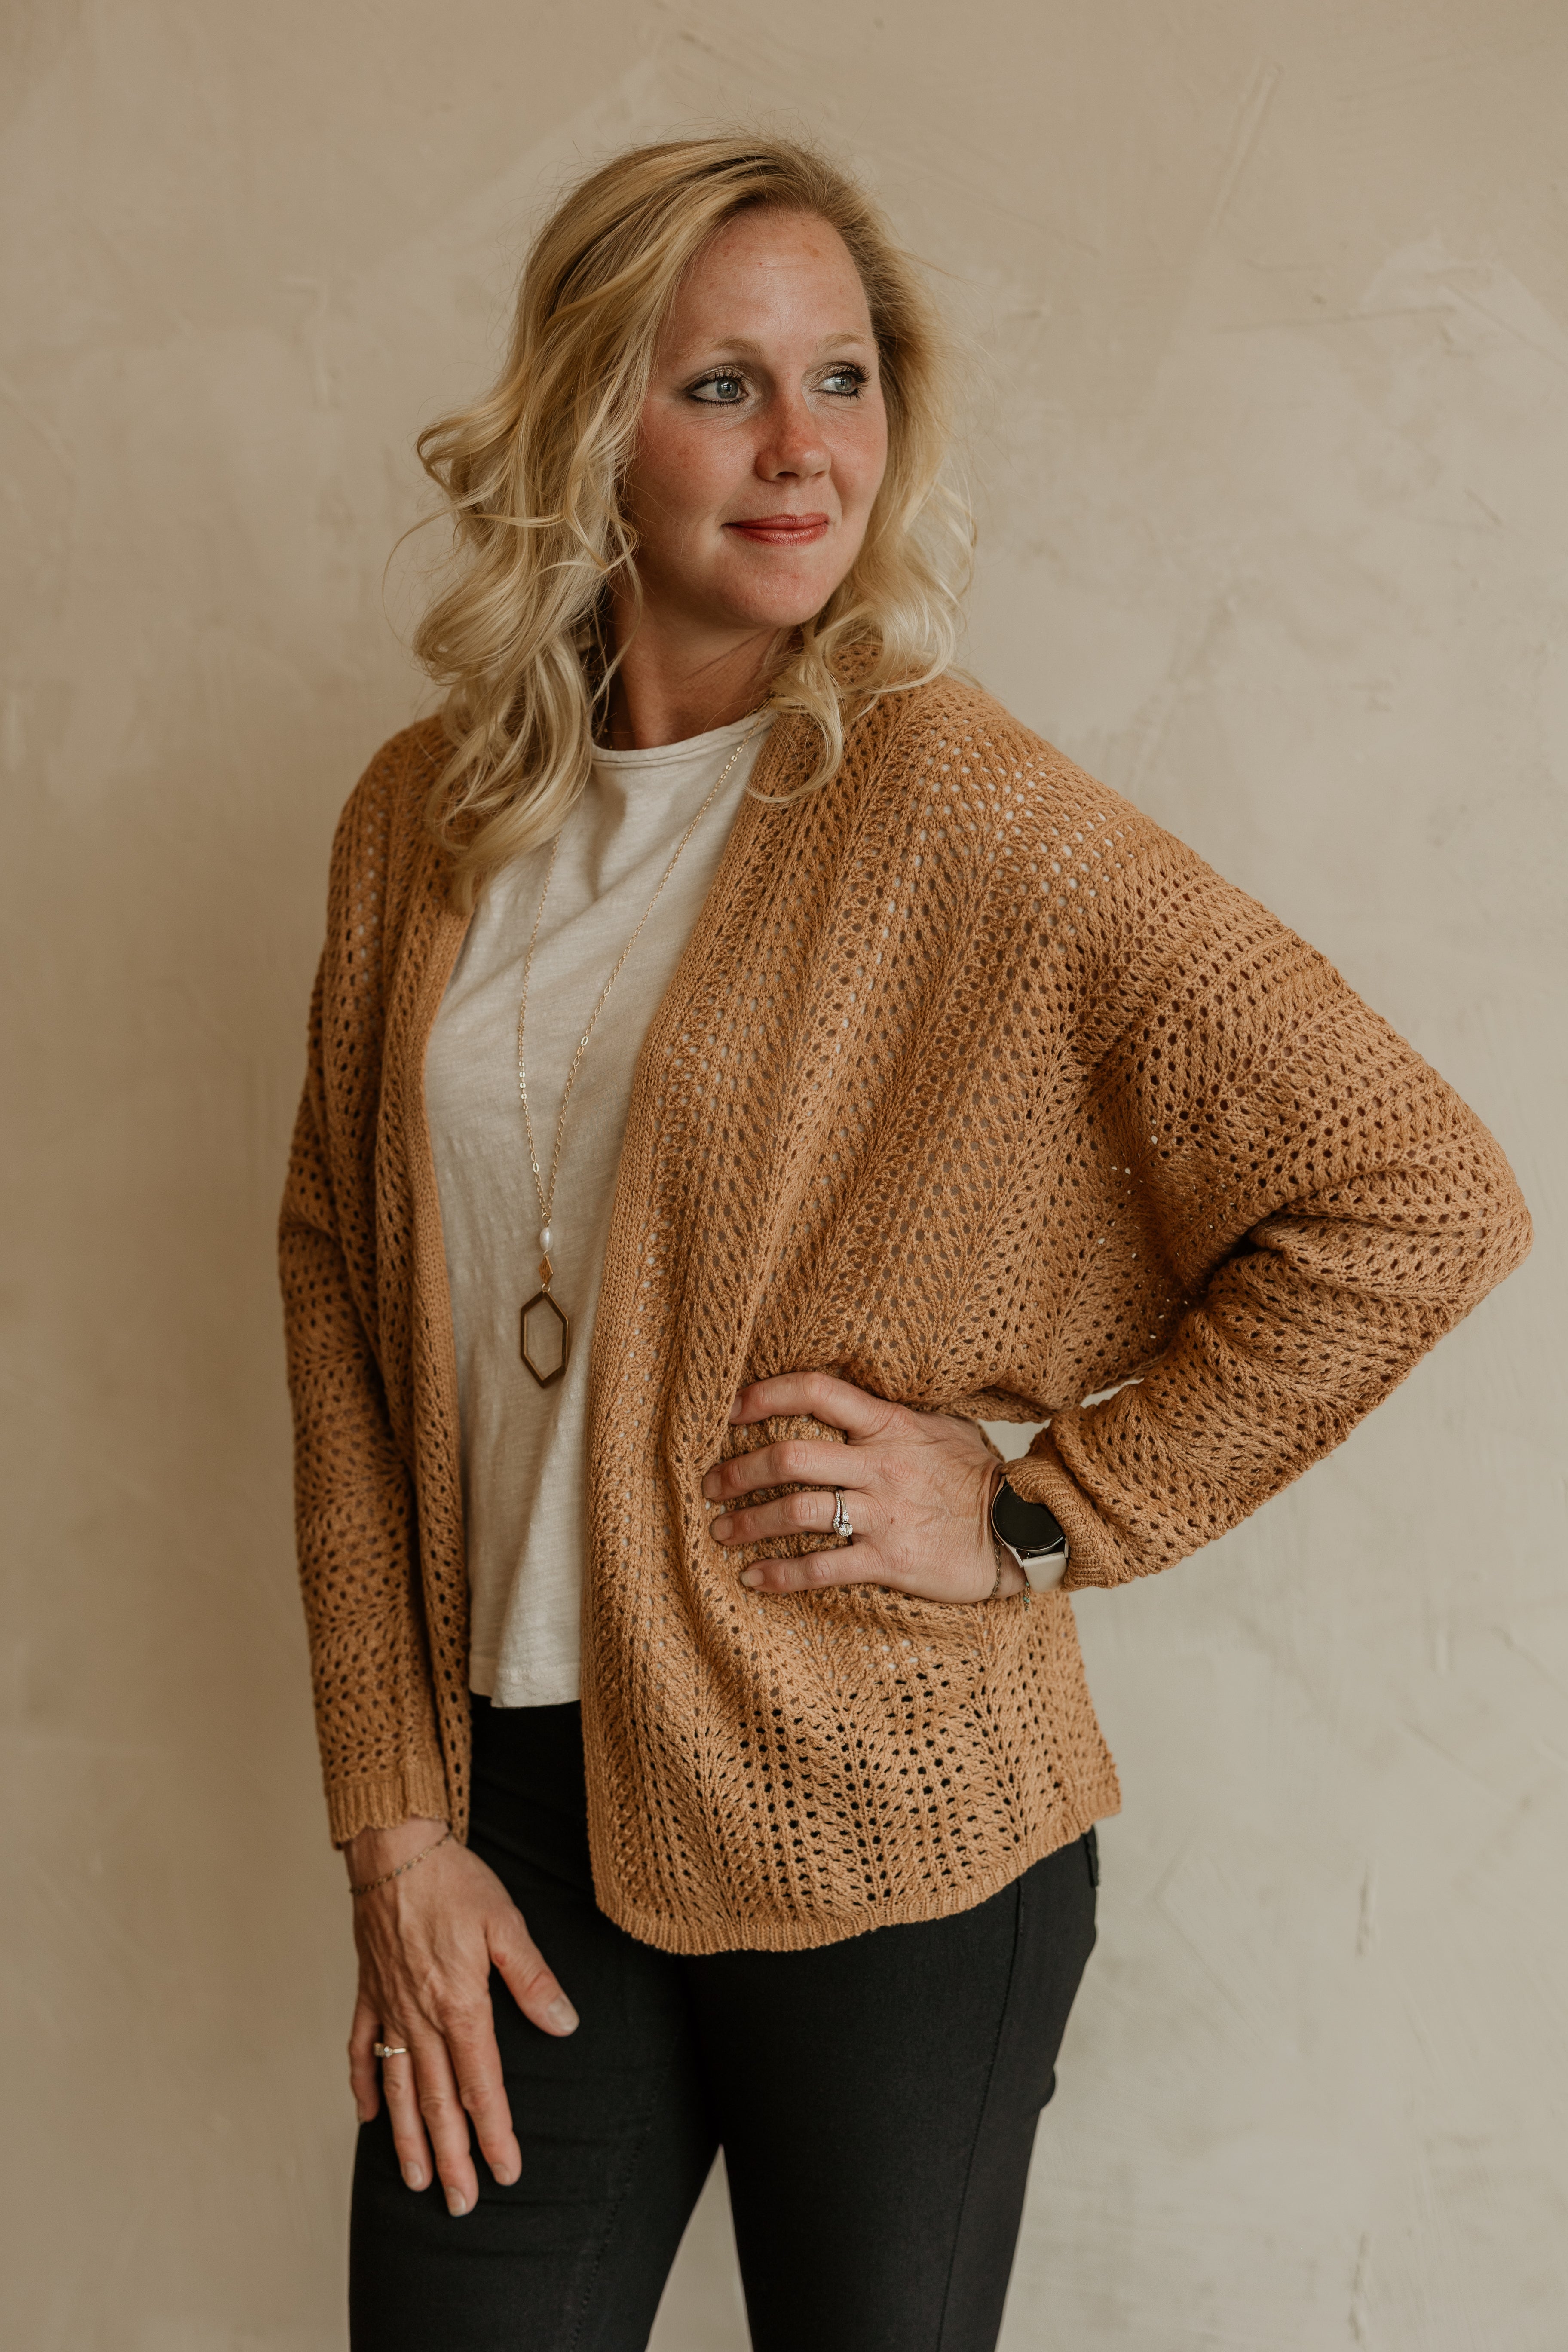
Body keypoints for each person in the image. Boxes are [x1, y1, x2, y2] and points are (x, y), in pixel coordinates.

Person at [278, 135, 1531, 2352]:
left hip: (886, 1814)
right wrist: (393, 1823)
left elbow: (1418, 1191)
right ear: (590, 424)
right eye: (725, 386)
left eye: (842, 379)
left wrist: (1039, 1511)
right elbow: (339, 1301)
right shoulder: (423, 820)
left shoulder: (953, 798)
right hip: (508, 1820)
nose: (805, 451)